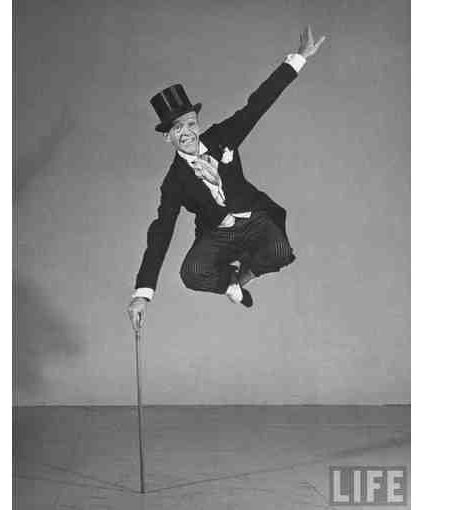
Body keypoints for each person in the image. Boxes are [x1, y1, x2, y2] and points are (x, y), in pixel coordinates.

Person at [127, 26, 326, 332]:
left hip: (253, 218)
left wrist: (299, 59)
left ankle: (241, 278)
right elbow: (160, 234)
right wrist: (142, 295)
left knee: (280, 252)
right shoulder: (173, 182)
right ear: (168, 137)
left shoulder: (222, 136)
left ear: (197, 123)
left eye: (190, 124)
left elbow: (257, 105)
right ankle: (230, 285)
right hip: (219, 233)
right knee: (191, 273)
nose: (186, 133)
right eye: (177, 129)